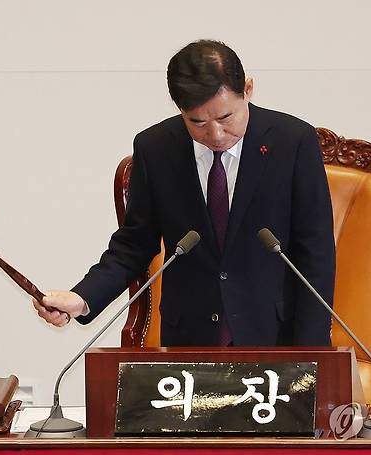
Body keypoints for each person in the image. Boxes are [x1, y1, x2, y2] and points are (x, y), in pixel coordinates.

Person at [33, 40, 335, 346]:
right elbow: (134, 244)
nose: (215, 135)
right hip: (190, 339)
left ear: (248, 89)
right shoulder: (156, 149)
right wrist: (82, 297)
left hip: (273, 337)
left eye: (225, 118)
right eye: (198, 122)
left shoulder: (293, 142)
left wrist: (313, 355)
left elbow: (316, 253)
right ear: (180, 109)